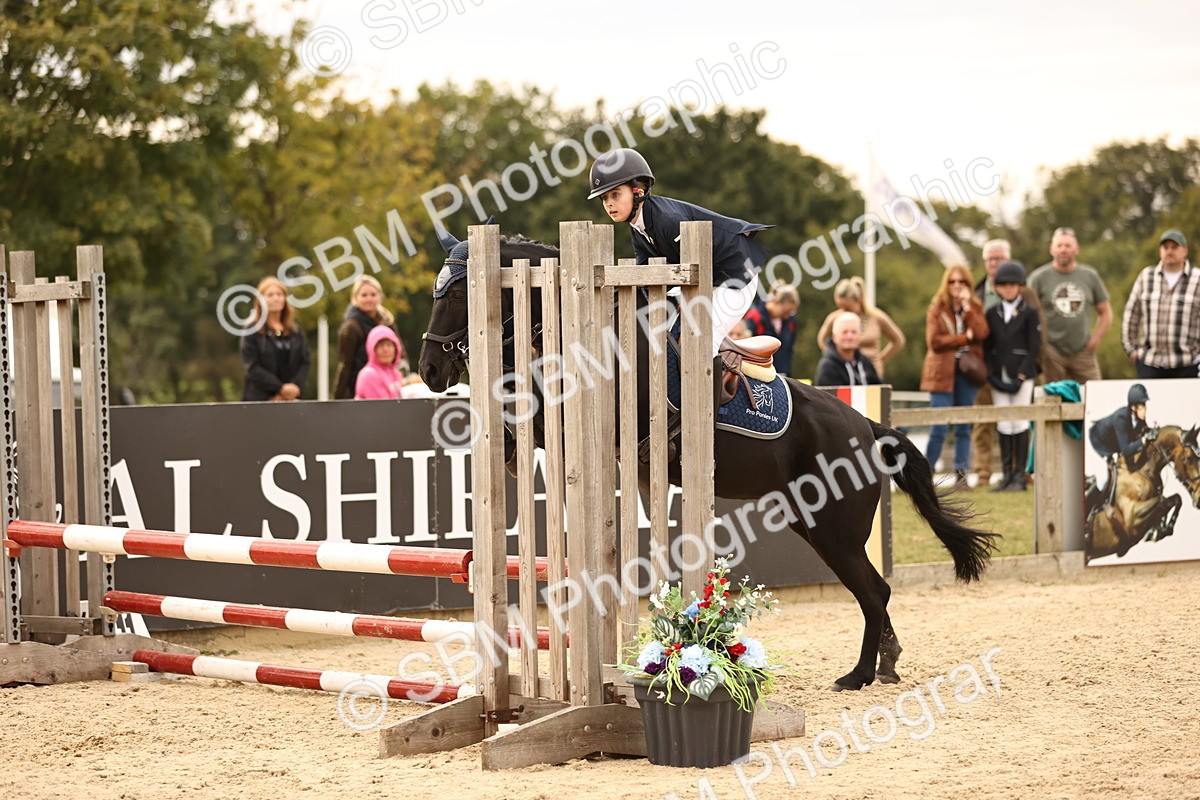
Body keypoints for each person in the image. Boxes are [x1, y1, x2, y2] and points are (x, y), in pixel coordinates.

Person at [588, 148, 772, 357]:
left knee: (700, 341)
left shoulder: (668, 220)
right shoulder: (638, 227)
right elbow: (646, 275)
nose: (609, 203)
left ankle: (716, 378)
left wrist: (688, 302)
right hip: (705, 277)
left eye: (615, 194)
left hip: (736, 275)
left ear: (638, 190)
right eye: (604, 198)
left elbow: (697, 268)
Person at [971, 239, 1045, 485]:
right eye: (990, 259)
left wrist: (1025, 373)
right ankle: (999, 473)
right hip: (995, 371)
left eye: (999, 258)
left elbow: (1036, 341)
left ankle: (1020, 473)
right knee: (998, 421)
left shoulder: (1028, 304)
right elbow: (986, 342)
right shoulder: (985, 304)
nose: (994, 263)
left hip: (1022, 370)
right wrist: (990, 373)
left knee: (1020, 420)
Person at [920, 265, 990, 488]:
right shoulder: (937, 309)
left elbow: (982, 333)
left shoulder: (975, 308)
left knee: (963, 426)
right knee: (939, 426)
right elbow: (934, 341)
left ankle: (961, 477)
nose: (957, 286)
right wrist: (962, 338)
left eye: (962, 281)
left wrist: (968, 308)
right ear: (946, 284)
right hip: (941, 373)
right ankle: (925, 475)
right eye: (952, 281)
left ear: (969, 285)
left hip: (967, 373)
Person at [1027, 227, 1112, 383]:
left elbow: (1105, 312)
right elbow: (1027, 314)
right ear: (1051, 249)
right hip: (1051, 352)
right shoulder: (1038, 278)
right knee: (1053, 394)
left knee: (1093, 392)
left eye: (1068, 245)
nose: (1063, 250)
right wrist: (1040, 345)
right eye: (1059, 245)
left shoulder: (1090, 276)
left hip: (1083, 351)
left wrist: (1095, 340)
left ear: (1077, 249)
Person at [1121, 229, 1200, 379]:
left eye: (1174, 247)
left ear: (1185, 251)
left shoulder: (1197, 279)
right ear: (1160, 251)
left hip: (1188, 365)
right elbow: (1131, 315)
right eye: (1165, 247)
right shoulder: (1146, 277)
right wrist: (1132, 351)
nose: (1169, 251)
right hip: (1150, 364)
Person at [814, 276, 905, 378]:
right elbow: (822, 339)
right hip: (844, 372)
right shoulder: (835, 318)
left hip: (872, 374)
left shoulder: (876, 317)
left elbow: (898, 340)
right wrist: (835, 358)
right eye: (840, 307)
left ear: (858, 300)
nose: (844, 311)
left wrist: (880, 360)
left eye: (847, 308)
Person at [334, 275, 408, 400]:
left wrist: (402, 373)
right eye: (364, 295)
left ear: (380, 296)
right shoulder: (351, 327)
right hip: (365, 384)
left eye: (373, 294)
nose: (369, 299)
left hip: (389, 381)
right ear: (355, 298)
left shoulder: (387, 320)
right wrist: (337, 399)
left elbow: (400, 351)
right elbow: (345, 364)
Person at [240, 276, 310, 402]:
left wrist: (292, 389)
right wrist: (279, 388)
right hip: (260, 400)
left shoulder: (295, 331)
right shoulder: (252, 330)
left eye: (279, 294)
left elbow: (305, 361)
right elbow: (252, 367)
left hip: (291, 400)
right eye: (270, 295)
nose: (276, 298)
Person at [1087, 384, 1154, 511]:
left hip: (1112, 445)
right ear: (1133, 407)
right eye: (1142, 406)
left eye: (1145, 406)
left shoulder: (1139, 419)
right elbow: (1126, 450)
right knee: (1103, 479)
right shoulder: (1121, 418)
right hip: (1098, 443)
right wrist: (1143, 440)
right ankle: (1089, 510)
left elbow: (1144, 432)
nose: (1145, 410)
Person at [741, 282, 799, 375]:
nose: (787, 316)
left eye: (790, 312)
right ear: (775, 302)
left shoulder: (790, 323)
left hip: (782, 374)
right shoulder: (755, 318)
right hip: (759, 374)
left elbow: (789, 352)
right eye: (785, 312)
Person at [815, 311, 882, 386]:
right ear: (834, 337)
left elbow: (879, 389)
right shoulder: (828, 366)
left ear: (860, 336)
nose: (850, 337)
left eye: (854, 332)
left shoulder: (865, 362)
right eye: (845, 332)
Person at [354, 325, 406, 400]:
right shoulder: (369, 375)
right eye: (380, 345)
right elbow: (383, 406)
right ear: (372, 349)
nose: (385, 350)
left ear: (396, 348)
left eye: (389, 345)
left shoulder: (395, 373)